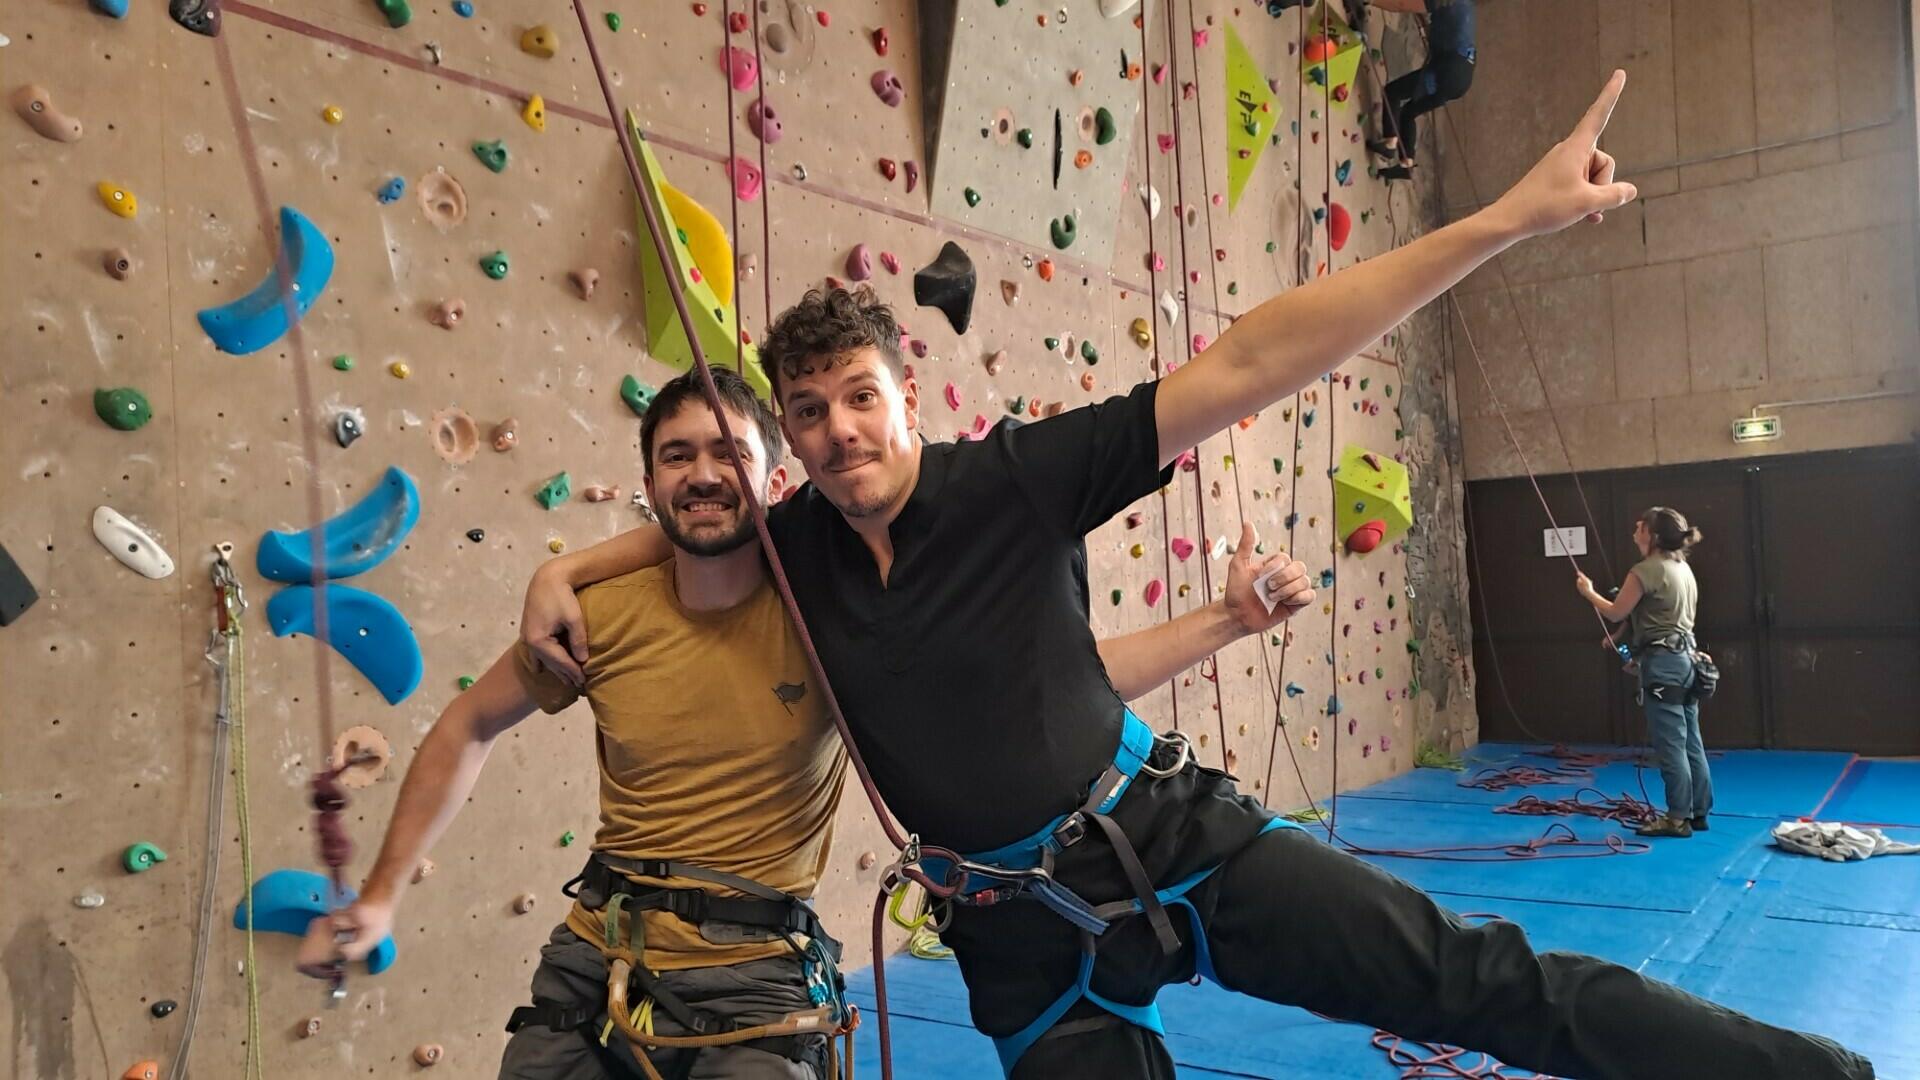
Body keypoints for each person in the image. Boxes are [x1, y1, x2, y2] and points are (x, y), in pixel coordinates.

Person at [524, 75, 1872, 1079]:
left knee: (1475, 980)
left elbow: (1250, 359)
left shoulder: (1014, 481)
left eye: (859, 399)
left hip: (1167, 840)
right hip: (1016, 939)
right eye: (809, 414)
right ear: (788, 437)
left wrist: (1502, 224)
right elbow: (696, 520)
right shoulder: (795, 553)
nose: (838, 433)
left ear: (906, 397)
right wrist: (566, 564)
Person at [304, 368, 1318, 1080]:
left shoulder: (834, 613)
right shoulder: (597, 615)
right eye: (676, 456)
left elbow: (1066, 681)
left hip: (756, 978)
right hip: (598, 952)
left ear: (771, 479)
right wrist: (382, 895)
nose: (703, 474)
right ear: (649, 484)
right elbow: (466, 728)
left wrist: (1227, 621)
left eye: (727, 453)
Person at [1576, 507, 1713, 839]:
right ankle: (1698, 811)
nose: (1635, 530)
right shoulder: (1682, 568)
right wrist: (1633, 647)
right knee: (1691, 741)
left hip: (1664, 666)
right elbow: (1653, 615)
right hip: (1687, 661)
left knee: (1672, 745)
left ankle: (1677, 818)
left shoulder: (1645, 571)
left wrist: (1588, 592)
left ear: (1652, 536)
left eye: (1640, 526)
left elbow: (1615, 612)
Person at [1363, 0, 1476, 180]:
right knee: (1409, 112)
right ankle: (1406, 165)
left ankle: (1390, 143)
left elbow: (1401, 5)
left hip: (1448, 71)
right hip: (1462, 76)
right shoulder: (1465, 6)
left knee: (1393, 92)